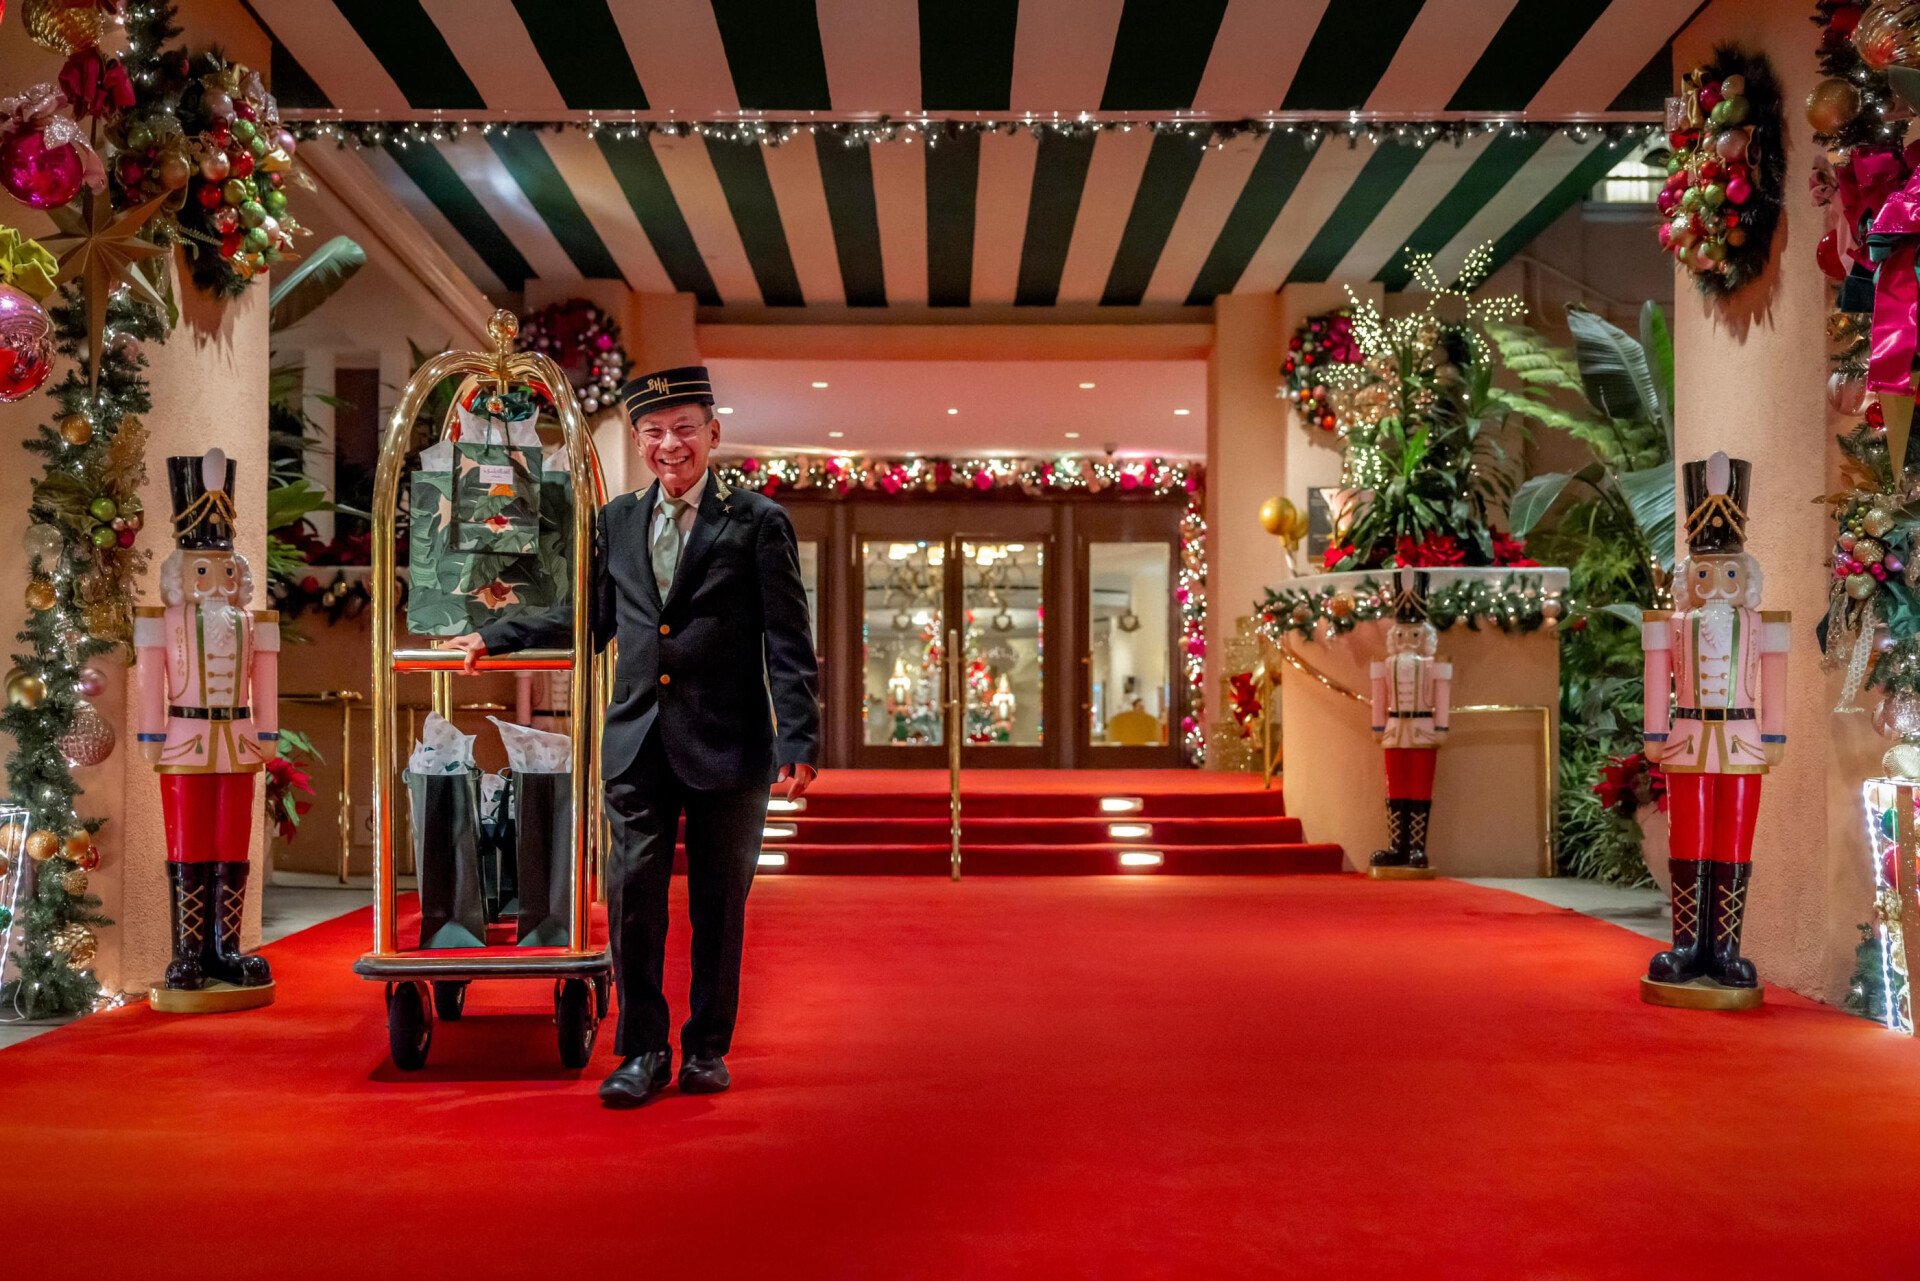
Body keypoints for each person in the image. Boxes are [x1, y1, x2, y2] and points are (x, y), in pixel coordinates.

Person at [440, 365, 820, 1107]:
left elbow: (787, 637)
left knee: (719, 903)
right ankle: (642, 1048)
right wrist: (499, 634)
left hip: (730, 744)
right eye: (653, 432)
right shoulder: (615, 520)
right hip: (637, 740)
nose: (668, 444)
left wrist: (798, 738)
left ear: (712, 433)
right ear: (639, 441)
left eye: (683, 428)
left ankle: (706, 1046)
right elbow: (588, 613)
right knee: (633, 897)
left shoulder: (758, 521)